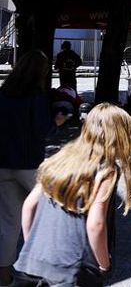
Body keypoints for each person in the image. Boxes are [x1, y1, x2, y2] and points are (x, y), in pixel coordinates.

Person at [14, 104, 131, 287]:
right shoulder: (106, 170)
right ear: (119, 136)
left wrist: (32, 248)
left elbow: (29, 206)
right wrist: (104, 265)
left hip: (35, 263)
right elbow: (96, 224)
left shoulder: (61, 158)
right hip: (73, 270)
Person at [0, 52, 67, 286]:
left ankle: (4, 277)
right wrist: (56, 123)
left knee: (9, 223)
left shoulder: (3, 92)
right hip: (29, 165)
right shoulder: (36, 95)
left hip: (3, 164)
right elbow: (41, 129)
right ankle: (45, 272)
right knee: (48, 216)